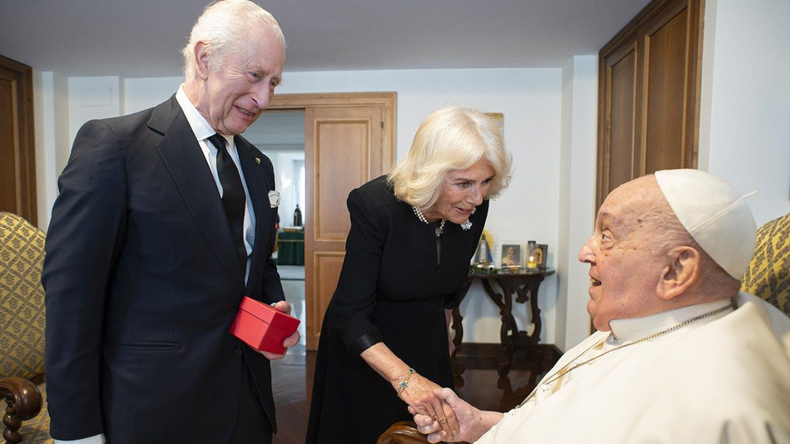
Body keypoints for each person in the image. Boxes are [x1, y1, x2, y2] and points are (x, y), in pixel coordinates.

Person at [42, 1, 299, 443]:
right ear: (204, 59)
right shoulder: (114, 147)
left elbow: (256, 262)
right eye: (255, 75)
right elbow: (71, 296)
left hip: (247, 404)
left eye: (273, 82)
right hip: (153, 411)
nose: (264, 99)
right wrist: (76, 430)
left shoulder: (259, 165)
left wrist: (271, 307)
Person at [412, 169, 790, 443]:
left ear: (676, 270)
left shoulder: (714, 405)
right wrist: (481, 424)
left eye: (606, 235)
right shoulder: (643, 321)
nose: (584, 252)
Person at [306, 106, 513, 443]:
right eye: (463, 183)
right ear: (430, 173)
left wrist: (444, 332)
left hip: (427, 338)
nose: (477, 198)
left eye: (485, 182)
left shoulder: (473, 207)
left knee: (425, 434)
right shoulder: (375, 206)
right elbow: (349, 314)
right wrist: (405, 379)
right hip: (369, 345)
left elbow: (450, 285)